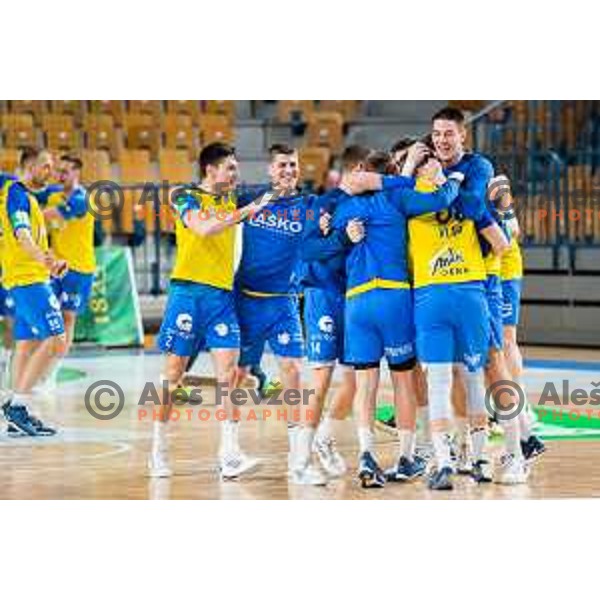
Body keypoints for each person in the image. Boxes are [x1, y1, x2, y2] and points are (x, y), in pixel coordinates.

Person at [334, 144, 465, 488]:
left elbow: (328, 243)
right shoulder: (396, 198)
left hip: (357, 301)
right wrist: (452, 179)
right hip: (393, 297)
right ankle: (406, 456)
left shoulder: (343, 206)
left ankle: (366, 454)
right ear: (388, 177)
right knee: (404, 381)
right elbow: (439, 201)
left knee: (366, 385)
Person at [151, 142, 272, 479]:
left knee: (229, 374)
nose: (236, 174)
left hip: (221, 297)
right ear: (211, 170)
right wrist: (247, 212)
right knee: (173, 374)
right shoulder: (184, 196)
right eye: (230, 167)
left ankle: (229, 455)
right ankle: (158, 448)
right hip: (187, 294)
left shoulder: (232, 199)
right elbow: (203, 228)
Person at [234, 144, 326, 485]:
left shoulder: (309, 206)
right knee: (238, 375)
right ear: (271, 171)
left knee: (291, 369)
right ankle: (229, 451)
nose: (289, 170)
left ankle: (297, 458)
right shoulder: (252, 202)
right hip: (246, 300)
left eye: (293, 165)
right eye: (283, 165)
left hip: (284, 302)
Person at [299, 146, 367, 479]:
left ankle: (324, 439)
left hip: (354, 297)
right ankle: (301, 457)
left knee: (354, 380)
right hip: (323, 295)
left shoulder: (369, 204)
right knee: (322, 378)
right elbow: (308, 249)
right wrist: (340, 236)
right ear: (357, 169)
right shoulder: (322, 204)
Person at [0, 148, 67, 436]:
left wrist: (45, 259)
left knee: (26, 345)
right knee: (56, 340)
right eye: (45, 166)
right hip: (28, 280)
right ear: (28, 167)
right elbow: (22, 236)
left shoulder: (27, 198)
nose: (50, 172)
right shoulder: (16, 194)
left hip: (28, 276)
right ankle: (18, 405)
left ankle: (19, 412)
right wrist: (47, 261)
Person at [493, 176, 545, 461]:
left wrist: (506, 210)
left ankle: (523, 424)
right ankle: (519, 421)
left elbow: (502, 185)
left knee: (503, 345)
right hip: (483, 272)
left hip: (502, 270)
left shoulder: (481, 171)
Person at [41, 155, 95, 390]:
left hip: (79, 268)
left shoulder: (83, 199)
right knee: (48, 315)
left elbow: (52, 215)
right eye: (59, 171)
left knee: (68, 317)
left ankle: (53, 371)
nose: (61, 176)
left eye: (66, 171)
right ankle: (39, 366)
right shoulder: (53, 195)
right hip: (55, 268)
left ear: (77, 173)